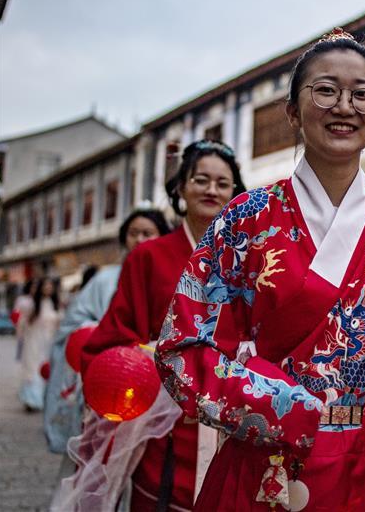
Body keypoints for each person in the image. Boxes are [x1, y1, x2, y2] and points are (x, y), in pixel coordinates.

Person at [155, 29, 365, 512]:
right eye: (325, 90)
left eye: (362, 95)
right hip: (268, 458)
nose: (344, 106)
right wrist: (281, 407)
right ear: (293, 111)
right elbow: (182, 349)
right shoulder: (247, 219)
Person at [79, 140, 246, 511]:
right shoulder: (148, 257)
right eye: (200, 179)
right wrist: (152, 362)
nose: (211, 190)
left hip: (229, 420)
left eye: (223, 183)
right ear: (181, 187)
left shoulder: (250, 259)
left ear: (236, 192)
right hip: (165, 426)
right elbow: (113, 337)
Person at [43, 207, 171, 454]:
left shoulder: (168, 275)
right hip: (109, 370)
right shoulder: (104, 279)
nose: (140, 239)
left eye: (148, 233)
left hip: (152, 378)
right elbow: (74, 321)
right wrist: (99, 333)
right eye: (134, 233)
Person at [16, 276, 62, 411]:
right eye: (45, 285)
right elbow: (22, 324)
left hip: (50, 343)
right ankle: (31, 400)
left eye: (50, 286)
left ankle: (44, 399)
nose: (48, 288)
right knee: (33, 370)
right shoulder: (32, 305)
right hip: (33, 343)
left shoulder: (56, 305)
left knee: (47, 369)